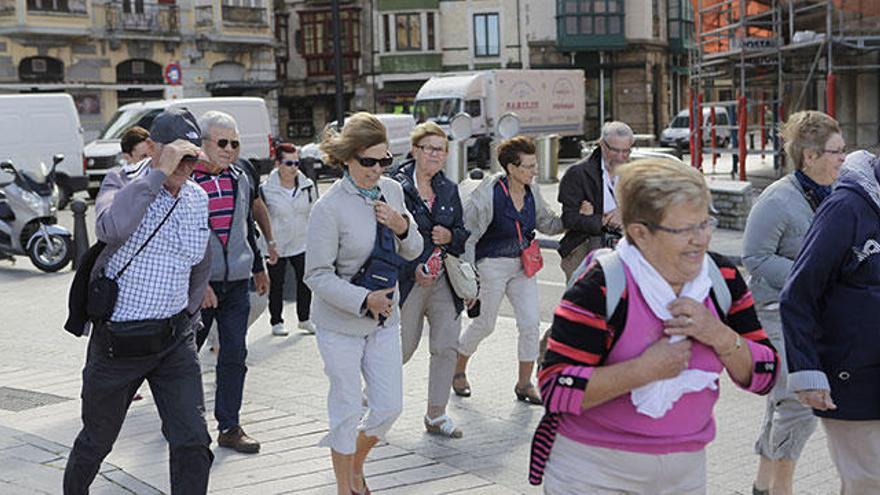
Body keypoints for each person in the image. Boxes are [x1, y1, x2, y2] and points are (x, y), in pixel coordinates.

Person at [531, 159, 779, 494]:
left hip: (685, 471)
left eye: (704, 224)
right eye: (683, 230)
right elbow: (555, 390)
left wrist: (717, 334)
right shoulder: (603, 284)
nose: (700, 239)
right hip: (594, 473)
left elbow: (766, 374)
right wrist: (643, 370)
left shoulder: (722, 279)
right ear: (640, 233)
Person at [64, 108, 214, 494]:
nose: (187, 163)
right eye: (178, 153)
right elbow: (111, 229)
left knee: (193, 441)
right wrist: (157, 174)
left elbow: (200, 263)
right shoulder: (122, 180)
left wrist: (189, 315)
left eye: (192, 155)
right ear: (152, 147)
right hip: (118, 343)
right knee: (96, 440)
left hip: (174, 342)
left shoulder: (198, 197)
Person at [305, 112, 422, 495]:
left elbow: (415, 248)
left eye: (384, 160)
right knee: (347, 408)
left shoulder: (393, 190)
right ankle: (346, 486)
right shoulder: (329, 207)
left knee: (389, 407)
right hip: (340, 324)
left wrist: (400, 225)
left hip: (386, 320)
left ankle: (355, 463)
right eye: (367, 161)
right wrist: (362, 299)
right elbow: (316, 275)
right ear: (348, 159)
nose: (376, 169)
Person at [743, 110, 844, 495]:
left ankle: (762, 486)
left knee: (783, 404)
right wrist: (809, 277)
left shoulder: (837, 193)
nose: (842, 158)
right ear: (810, 157)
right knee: (799, 400)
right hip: (775, 313)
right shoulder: (777, 199)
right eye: (835, 151)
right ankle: (781, 489)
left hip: (816, 314)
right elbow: (755, 258)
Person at [780, 148, 880, 494]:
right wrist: (807, 372)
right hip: (853, 380)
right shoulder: (844, 209)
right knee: (868, 483)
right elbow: (798, 294)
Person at [453, 136, 568, 405]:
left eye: (534, 165)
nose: (534, 171)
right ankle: (458, 370)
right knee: (485, 324)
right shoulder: (487, 195)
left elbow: (548, 223)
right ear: (511, 168)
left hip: (523, 265)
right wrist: (470, 279)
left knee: (530, 324)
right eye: (528, 166)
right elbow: (468, 237)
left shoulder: (532, 191)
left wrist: (571, 218)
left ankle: (524, 384)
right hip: (492, 265)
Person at [192, 110, 269, 454]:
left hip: (236, 282)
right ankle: (186, 423)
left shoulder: (242, 176)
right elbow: (183, 239)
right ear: (203, 143)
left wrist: (259, 265)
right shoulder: (187, 181)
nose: (229, 149)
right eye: (222, 142)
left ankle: (229, 426)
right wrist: (199, 282)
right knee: (185, 357)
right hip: (199, 286)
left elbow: (245, 226)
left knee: (235, 354)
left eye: (234, 143)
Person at [392, 122, 470, 438]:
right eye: (429, 148)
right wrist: (412, 269)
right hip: (408, 279)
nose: (435, 154)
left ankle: (436, 415)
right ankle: (370, 397)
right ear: (415, 150)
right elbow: (385, 239)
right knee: (404, 347)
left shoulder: (449, 188)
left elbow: (463, 236)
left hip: (443, 281)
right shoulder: (395, 185)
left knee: (446, 347)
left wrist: (451, 235)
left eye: (441, 149)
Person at [557, 121, 633, 282]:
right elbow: (569, 219)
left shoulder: (635, 174)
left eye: (626, 151)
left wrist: (624, 214)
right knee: (585, 303)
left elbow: (648, 211)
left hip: (624, 248)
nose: (621, 157)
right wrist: (602, 220)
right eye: (615, 150)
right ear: (602, 145)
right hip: (586, 248)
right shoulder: (578, 173)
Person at [261, 142, 316, 336]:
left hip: (302, 242)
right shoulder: (266, 189)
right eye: (289, 163)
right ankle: (276, 321)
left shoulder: (307, 185)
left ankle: (304, 319)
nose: (294, 168)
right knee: (277, 285)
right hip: (277, 245)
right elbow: (262, 218)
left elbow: (313, 213)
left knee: (305, 281)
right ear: (277, 164)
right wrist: (268, 244)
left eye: (296, 163)